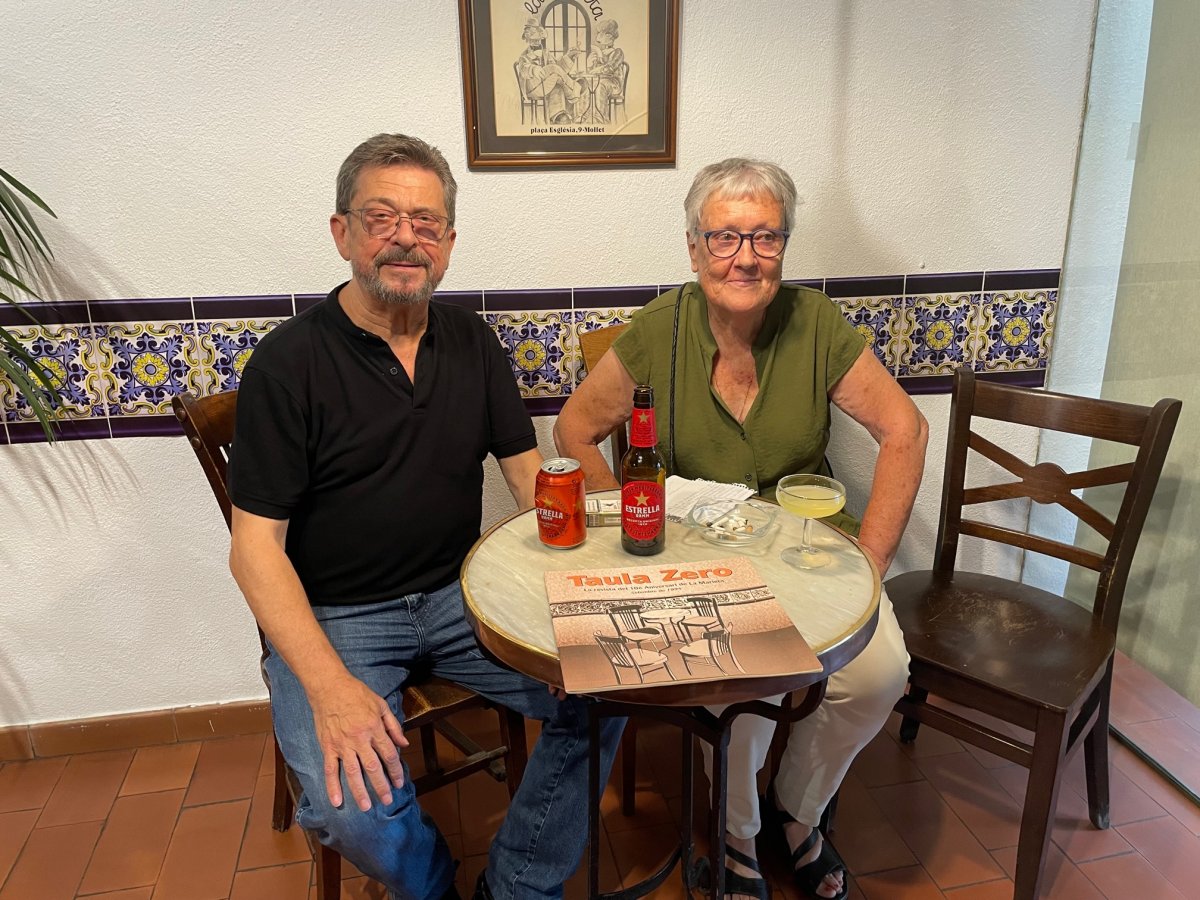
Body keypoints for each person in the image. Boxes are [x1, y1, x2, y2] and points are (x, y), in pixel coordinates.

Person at [228, 133, 622, 900]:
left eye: (426, 222)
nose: (406, 237)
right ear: (342, 233)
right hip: (338, 617)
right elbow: (255, 553)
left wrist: (577, 599)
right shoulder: (287, 364)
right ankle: (435, 886)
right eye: (381, 217)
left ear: (447, 244)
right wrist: (331, 687)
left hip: (460, 597)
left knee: (610, 689)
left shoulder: (472, 342)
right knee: (357, 817)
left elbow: (528, 478)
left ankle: (514, 887)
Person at [553, 158, 927, 900]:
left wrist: (872, 561)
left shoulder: (816, 322)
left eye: (764, 236)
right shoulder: (658, 329)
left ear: (784, 246)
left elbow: (906, 430)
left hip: (811, 550)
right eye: (724, 238)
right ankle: (737, 836)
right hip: (707, 559)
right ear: (694, 249)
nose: (745, 257)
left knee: (879, 675)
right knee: (739, 692)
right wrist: (637, 526)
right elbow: (574, 430)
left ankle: (798, 810)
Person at [516, 18, 584, 125]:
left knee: (557, 78)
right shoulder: (524, 56)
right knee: (554, 71)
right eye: (534, 39)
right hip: (533, 88)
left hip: (545, 85)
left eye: (538, 39)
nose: (537, 42)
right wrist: (534, 69)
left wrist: (569, 56)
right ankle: (575, 89)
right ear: (528, 40)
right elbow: (524, 69)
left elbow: (558, 68)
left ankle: (558, 116)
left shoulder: (546, 53)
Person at [586, 18, 625, 122]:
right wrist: (589, 64)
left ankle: (600, 118)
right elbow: (591, 71)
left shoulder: (617, 52)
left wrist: (599, 56)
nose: (598, 36)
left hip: (614, 84)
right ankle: (585, 117)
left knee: (600, 85)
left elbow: (610, 68)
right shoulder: (600, 52)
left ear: (609, 36)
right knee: (585, 84)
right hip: (599, 81)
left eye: (600, 33)